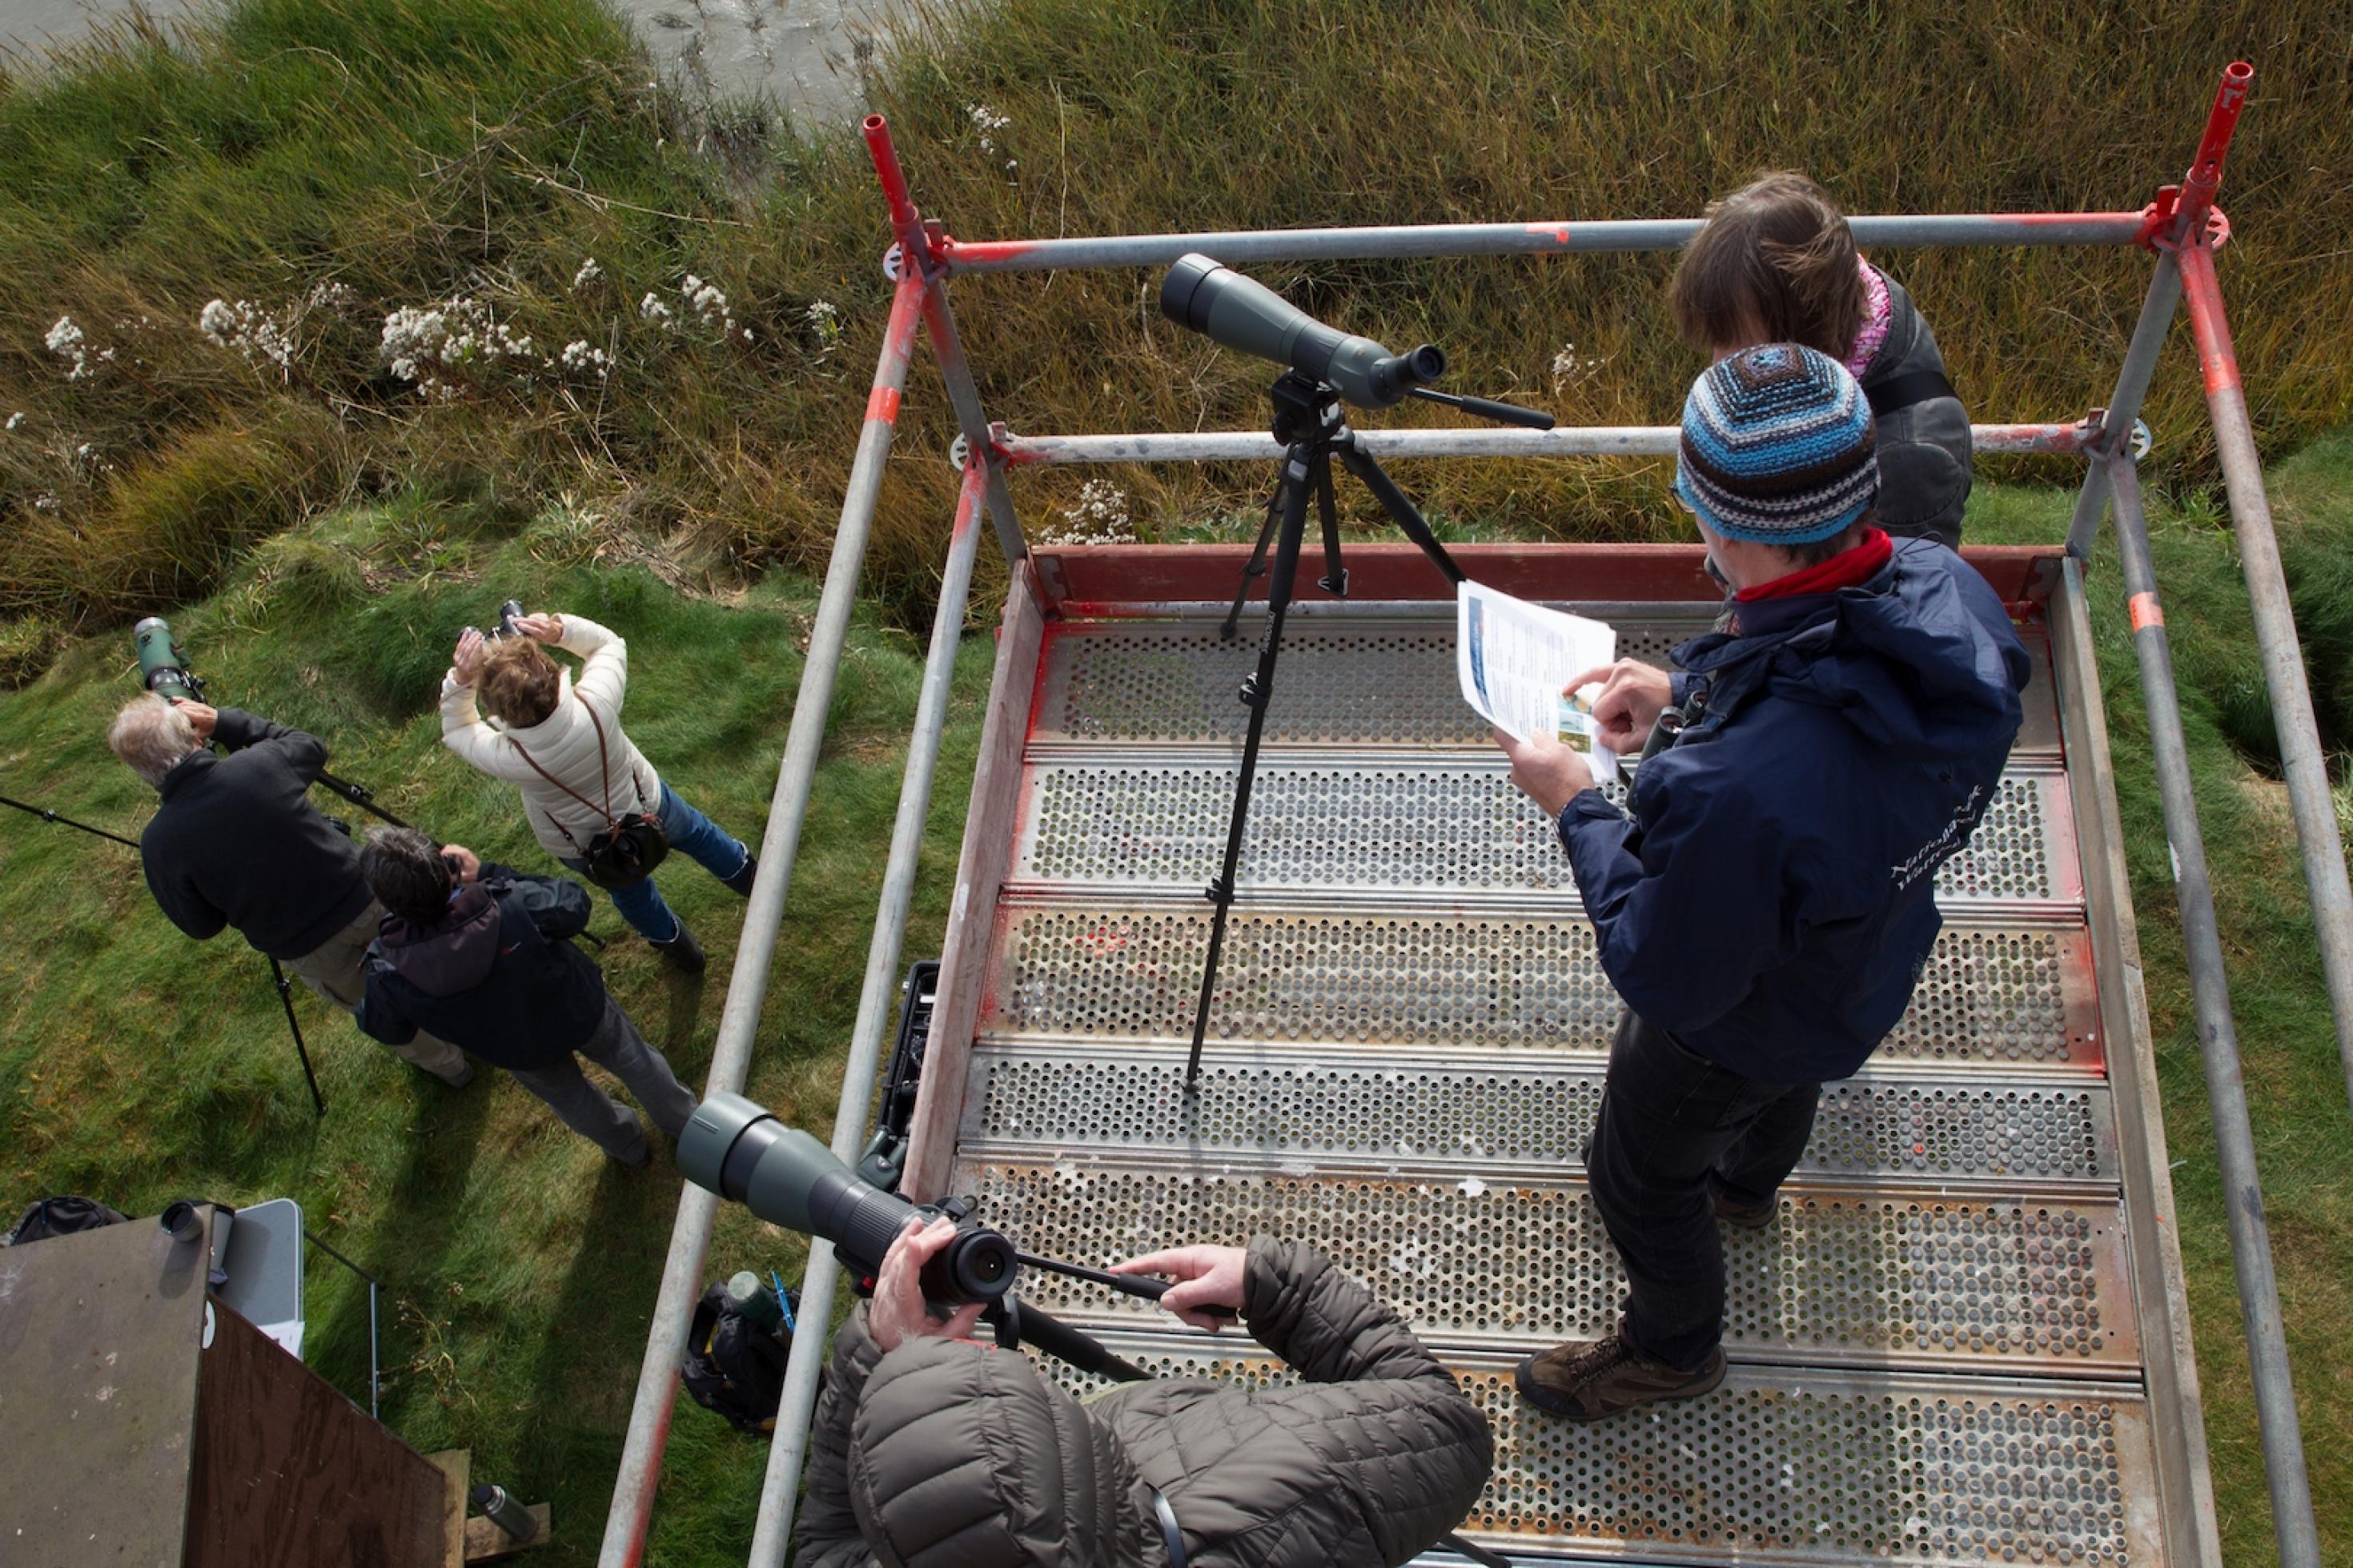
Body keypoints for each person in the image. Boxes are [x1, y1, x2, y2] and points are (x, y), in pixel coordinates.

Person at [1494, 344, 2028, 1420]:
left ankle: (1672, 1346)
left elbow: (1661, 969)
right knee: (1784, 1084)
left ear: (1720, 526)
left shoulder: (1732, 791)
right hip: (1858, 969)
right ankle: (1742, 1187)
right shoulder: (1949, 594)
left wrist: (1575, 803)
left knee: (1636, 1173)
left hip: (1729, 1023)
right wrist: (1687, 685)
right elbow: (1837, 675)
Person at [797, 1219, 1495, 1567]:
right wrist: (1271, 1285)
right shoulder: (1292, 1482)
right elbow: (1445, 1425)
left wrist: (877, 1357)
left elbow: (827, 1550)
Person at [106, 692, 472, 1088]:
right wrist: (225, 721)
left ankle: (452, 1069)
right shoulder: (256, 765)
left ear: (142, 773)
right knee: (432, 949)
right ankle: (479, 1011)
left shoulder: (159, 843)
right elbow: (310, 747)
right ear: (195, 736)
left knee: (380, 1007)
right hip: (367, 896)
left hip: (307, 948)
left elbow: (201, 925)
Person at [353, 827, 697, 1165]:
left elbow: (389, 1029)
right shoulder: (506, 902)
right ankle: (687, 1125)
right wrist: (488, 873)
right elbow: (574, 905)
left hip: (517, 1049)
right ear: (446, 872)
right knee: (635, 1062)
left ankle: (630, 1150)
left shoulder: (388, 971)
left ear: (388, 903)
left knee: (573, 1100)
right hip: (577, 1006)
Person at [440, 611, 757, 975]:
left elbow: (458, 729)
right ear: (551, 671)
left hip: (584, 846)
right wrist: (560, 630)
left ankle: (682, 952)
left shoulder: (508, 758)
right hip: (646, 803)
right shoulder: (597, 704)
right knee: (700, 836)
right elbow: (608, 644)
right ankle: (754, 883)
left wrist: (461, 680)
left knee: (631, 894)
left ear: (497, 711)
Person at [1669, 170, 1974, 546]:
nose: (1720, 364)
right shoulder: (1847, 301)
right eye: (1719, 339)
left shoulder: (1911, 462)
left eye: (1745, 345)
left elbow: (1892, 599)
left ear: (1807, 325)